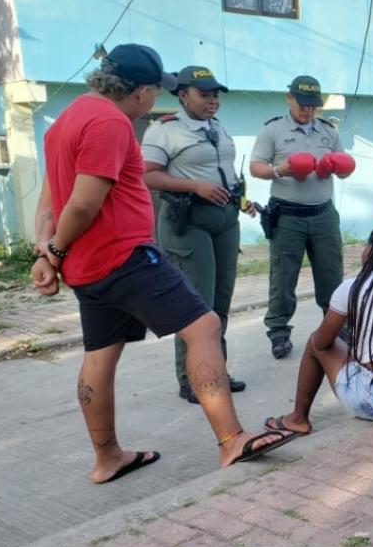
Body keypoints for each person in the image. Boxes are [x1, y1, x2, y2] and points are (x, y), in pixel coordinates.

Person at [30, 44, 298, 483]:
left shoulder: (67, 119)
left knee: (101, 353)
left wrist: (46, 250)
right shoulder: (110, 122)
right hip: (124, 255)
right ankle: (231, 439)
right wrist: (55, 251)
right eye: (156, 92)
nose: (156, 101)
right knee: (204, 326)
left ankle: (108, 458)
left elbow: (51, 193)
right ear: (141, 92)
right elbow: (82, 203)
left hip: (88, 265)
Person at [142, 66, 252, 403]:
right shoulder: (164, 130)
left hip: (225, 219)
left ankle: (214, 369)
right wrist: (195, 186)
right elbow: (149, 176)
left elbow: (226, 172)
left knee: (220, 301)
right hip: (188, 221)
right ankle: (191, 379)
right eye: (204, 95)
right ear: (182, 94)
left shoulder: (216, 127)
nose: (212, 101)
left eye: (215, 95)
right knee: (195, 304)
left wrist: (241, 199)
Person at [264, 221, 373, 433]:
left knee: (313, 340)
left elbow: (322, 342)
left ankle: (298, 418)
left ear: (371, 250)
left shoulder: (353, 287)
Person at [250, 76, 356, 360]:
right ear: (289, 99)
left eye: (313, 106)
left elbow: (345, 168)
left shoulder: (328, 131)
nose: (308, 110)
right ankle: (279, 332)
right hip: (288, 215)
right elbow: (255, 167)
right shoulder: (273, 130)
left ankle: (335, 326)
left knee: (331, 274)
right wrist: (280, 170)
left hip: (323, 213)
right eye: (302, 104)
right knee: (283, 278)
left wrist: (337, 167)